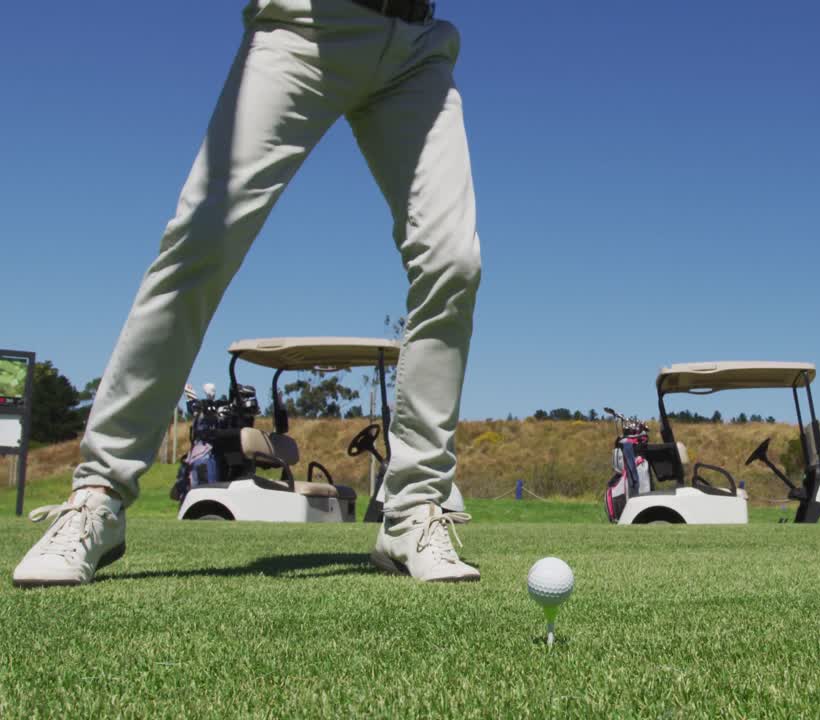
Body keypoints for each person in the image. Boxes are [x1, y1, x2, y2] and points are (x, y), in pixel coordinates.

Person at [12, 0, 482, 587]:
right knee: (203, 238)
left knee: (454, 262)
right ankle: (99, 495)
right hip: (307, 28)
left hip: (419, 46)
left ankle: (412, 512)